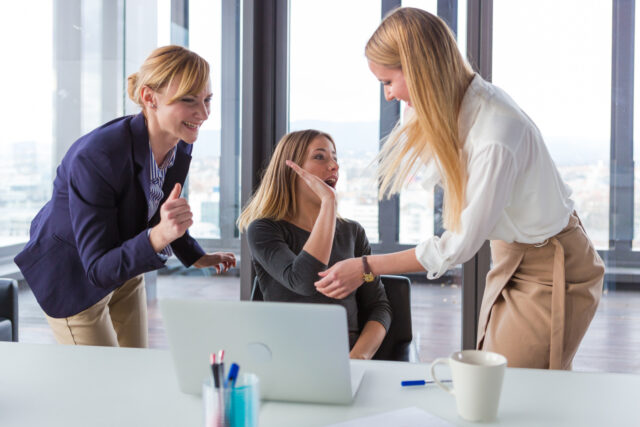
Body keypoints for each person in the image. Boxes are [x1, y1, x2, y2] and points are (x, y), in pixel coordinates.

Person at [310, 8, 604, 369]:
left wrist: (366, 266)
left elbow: (457, 247)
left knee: (516, 385)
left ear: (419, 71)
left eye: (388, 82)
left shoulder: (495, 133)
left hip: (552, 265)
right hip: (511, 253)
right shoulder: (444, 107)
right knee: (499, 380)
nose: (388, 96)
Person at [14, 45, 236, 348]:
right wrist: (158, 236)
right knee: (102, 384)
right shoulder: (96, 157)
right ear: (149, 98)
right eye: (188, 100)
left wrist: (196, 256)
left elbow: (161, 209)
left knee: (136, 364)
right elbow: (97, 268)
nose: (204, 113)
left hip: (126, 265)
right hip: (75, 275)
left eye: (207, 99)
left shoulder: (179, 142)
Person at [237, 130, 392, 360]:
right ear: (291, 169)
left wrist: (358, 358)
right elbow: (304, 281)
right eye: (320, 157)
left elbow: (379, 306)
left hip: (346, 352)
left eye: (335, 158)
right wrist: (329, 203)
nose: (334, 166)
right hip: (285, 355)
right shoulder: (263, 229)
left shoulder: (353, 233)